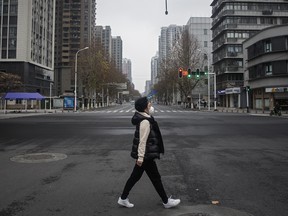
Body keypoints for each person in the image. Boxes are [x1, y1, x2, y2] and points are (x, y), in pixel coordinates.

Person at [117, 97, 181, 209]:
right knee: (154, 178)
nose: (150, 105)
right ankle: (166, 202)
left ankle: (123, 198)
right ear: (144, 107)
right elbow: (142, 141)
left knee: (136, 177)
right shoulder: (145, 121)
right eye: (149, 103)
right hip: (146, 156)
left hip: (146, 155)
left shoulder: (146, 119)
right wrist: (140, 157)